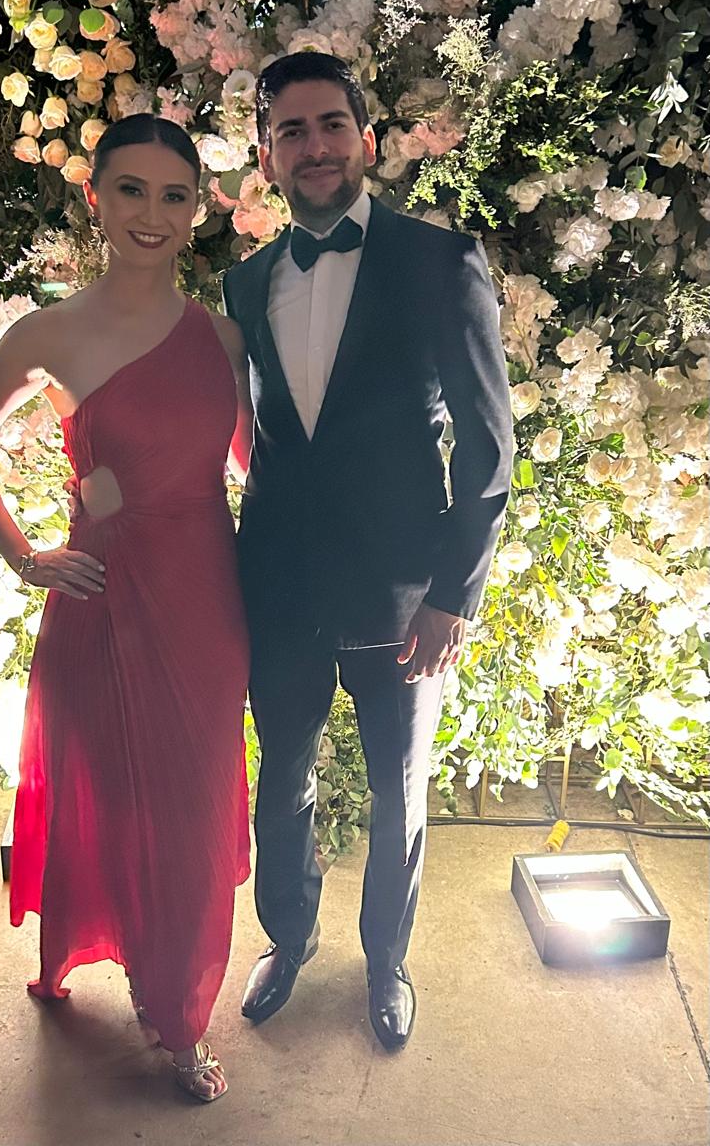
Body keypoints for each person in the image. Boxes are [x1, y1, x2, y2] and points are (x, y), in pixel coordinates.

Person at [0, 114, 253, 1103]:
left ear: (195, 211)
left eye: (173, 195)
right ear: (96, 198)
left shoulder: (223, 338)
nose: (151, 213)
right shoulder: (49, 333)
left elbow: (255, 468)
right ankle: (117, 959)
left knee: (192, 812)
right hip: (101, 600)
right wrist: (25, 555)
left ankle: (179, 1012)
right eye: (131, 190)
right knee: (106, 796)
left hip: (204, 602)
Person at [222, 53, 514, 1050]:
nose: (314, 146)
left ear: (367, 140)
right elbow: (261, 439)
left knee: (399, 793)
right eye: (291, 131)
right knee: (282, 782)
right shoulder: (246, 281)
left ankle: (387, 961)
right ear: (268, 155)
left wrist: (455, 594)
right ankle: (287, 937)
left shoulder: (440, 261)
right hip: (280, 587)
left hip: (405, 593)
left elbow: (489, 446)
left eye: (331, 125)